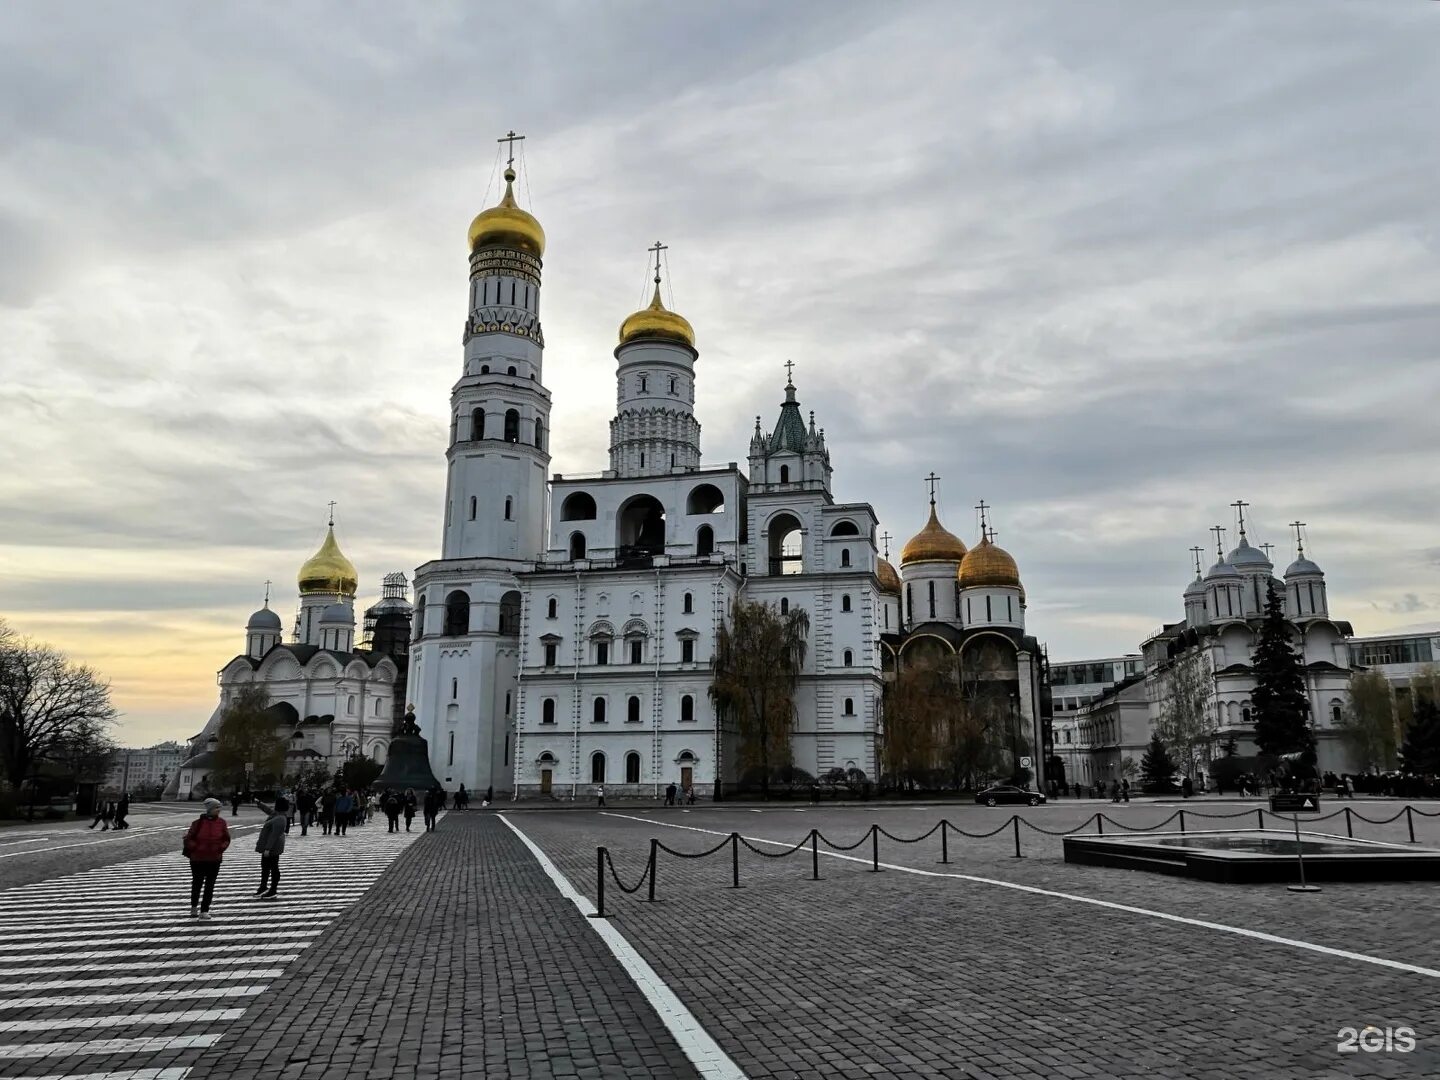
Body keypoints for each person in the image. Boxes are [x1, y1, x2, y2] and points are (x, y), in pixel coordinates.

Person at [184, 797, 231, 920]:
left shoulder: (222, 823)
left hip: (214, 858)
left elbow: (226, 838)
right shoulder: (197, 823)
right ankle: (194, 907)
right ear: (209, 809)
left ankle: (205, 910)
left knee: (210, 885)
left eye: (219, 807)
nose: (219, 810)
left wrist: (220, 848)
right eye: (216, 807)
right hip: (198, 858)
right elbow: (189, 838)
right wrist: (196, 848)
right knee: (197, 883)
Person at [255, 797, 287, 900]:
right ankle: (263, 886)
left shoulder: (280, 818)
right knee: (265, 867)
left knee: (273, 868)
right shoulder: (277, 815)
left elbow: (274, 835)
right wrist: (259, 803)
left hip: (273, 848)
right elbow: (268, 810)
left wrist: (268, 848)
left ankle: (273, 889)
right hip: (269, 847)